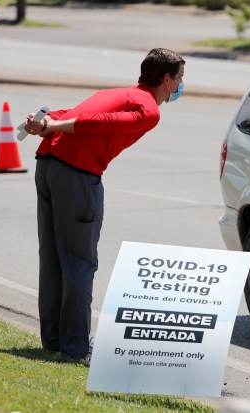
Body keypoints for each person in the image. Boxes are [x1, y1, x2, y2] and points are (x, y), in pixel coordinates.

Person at [22, 47, 185, 360]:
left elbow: (73, 112)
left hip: (48, 165)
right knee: (80, 262)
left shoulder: (119, 92)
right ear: (166, 79)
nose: (181, 84)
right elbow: (101, 122)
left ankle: (55, 340)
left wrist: (44, 123)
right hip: (77, 174)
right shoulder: (149, 109)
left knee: (54, 258)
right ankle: (75, 347)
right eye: (180, 78)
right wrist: (52, 125)